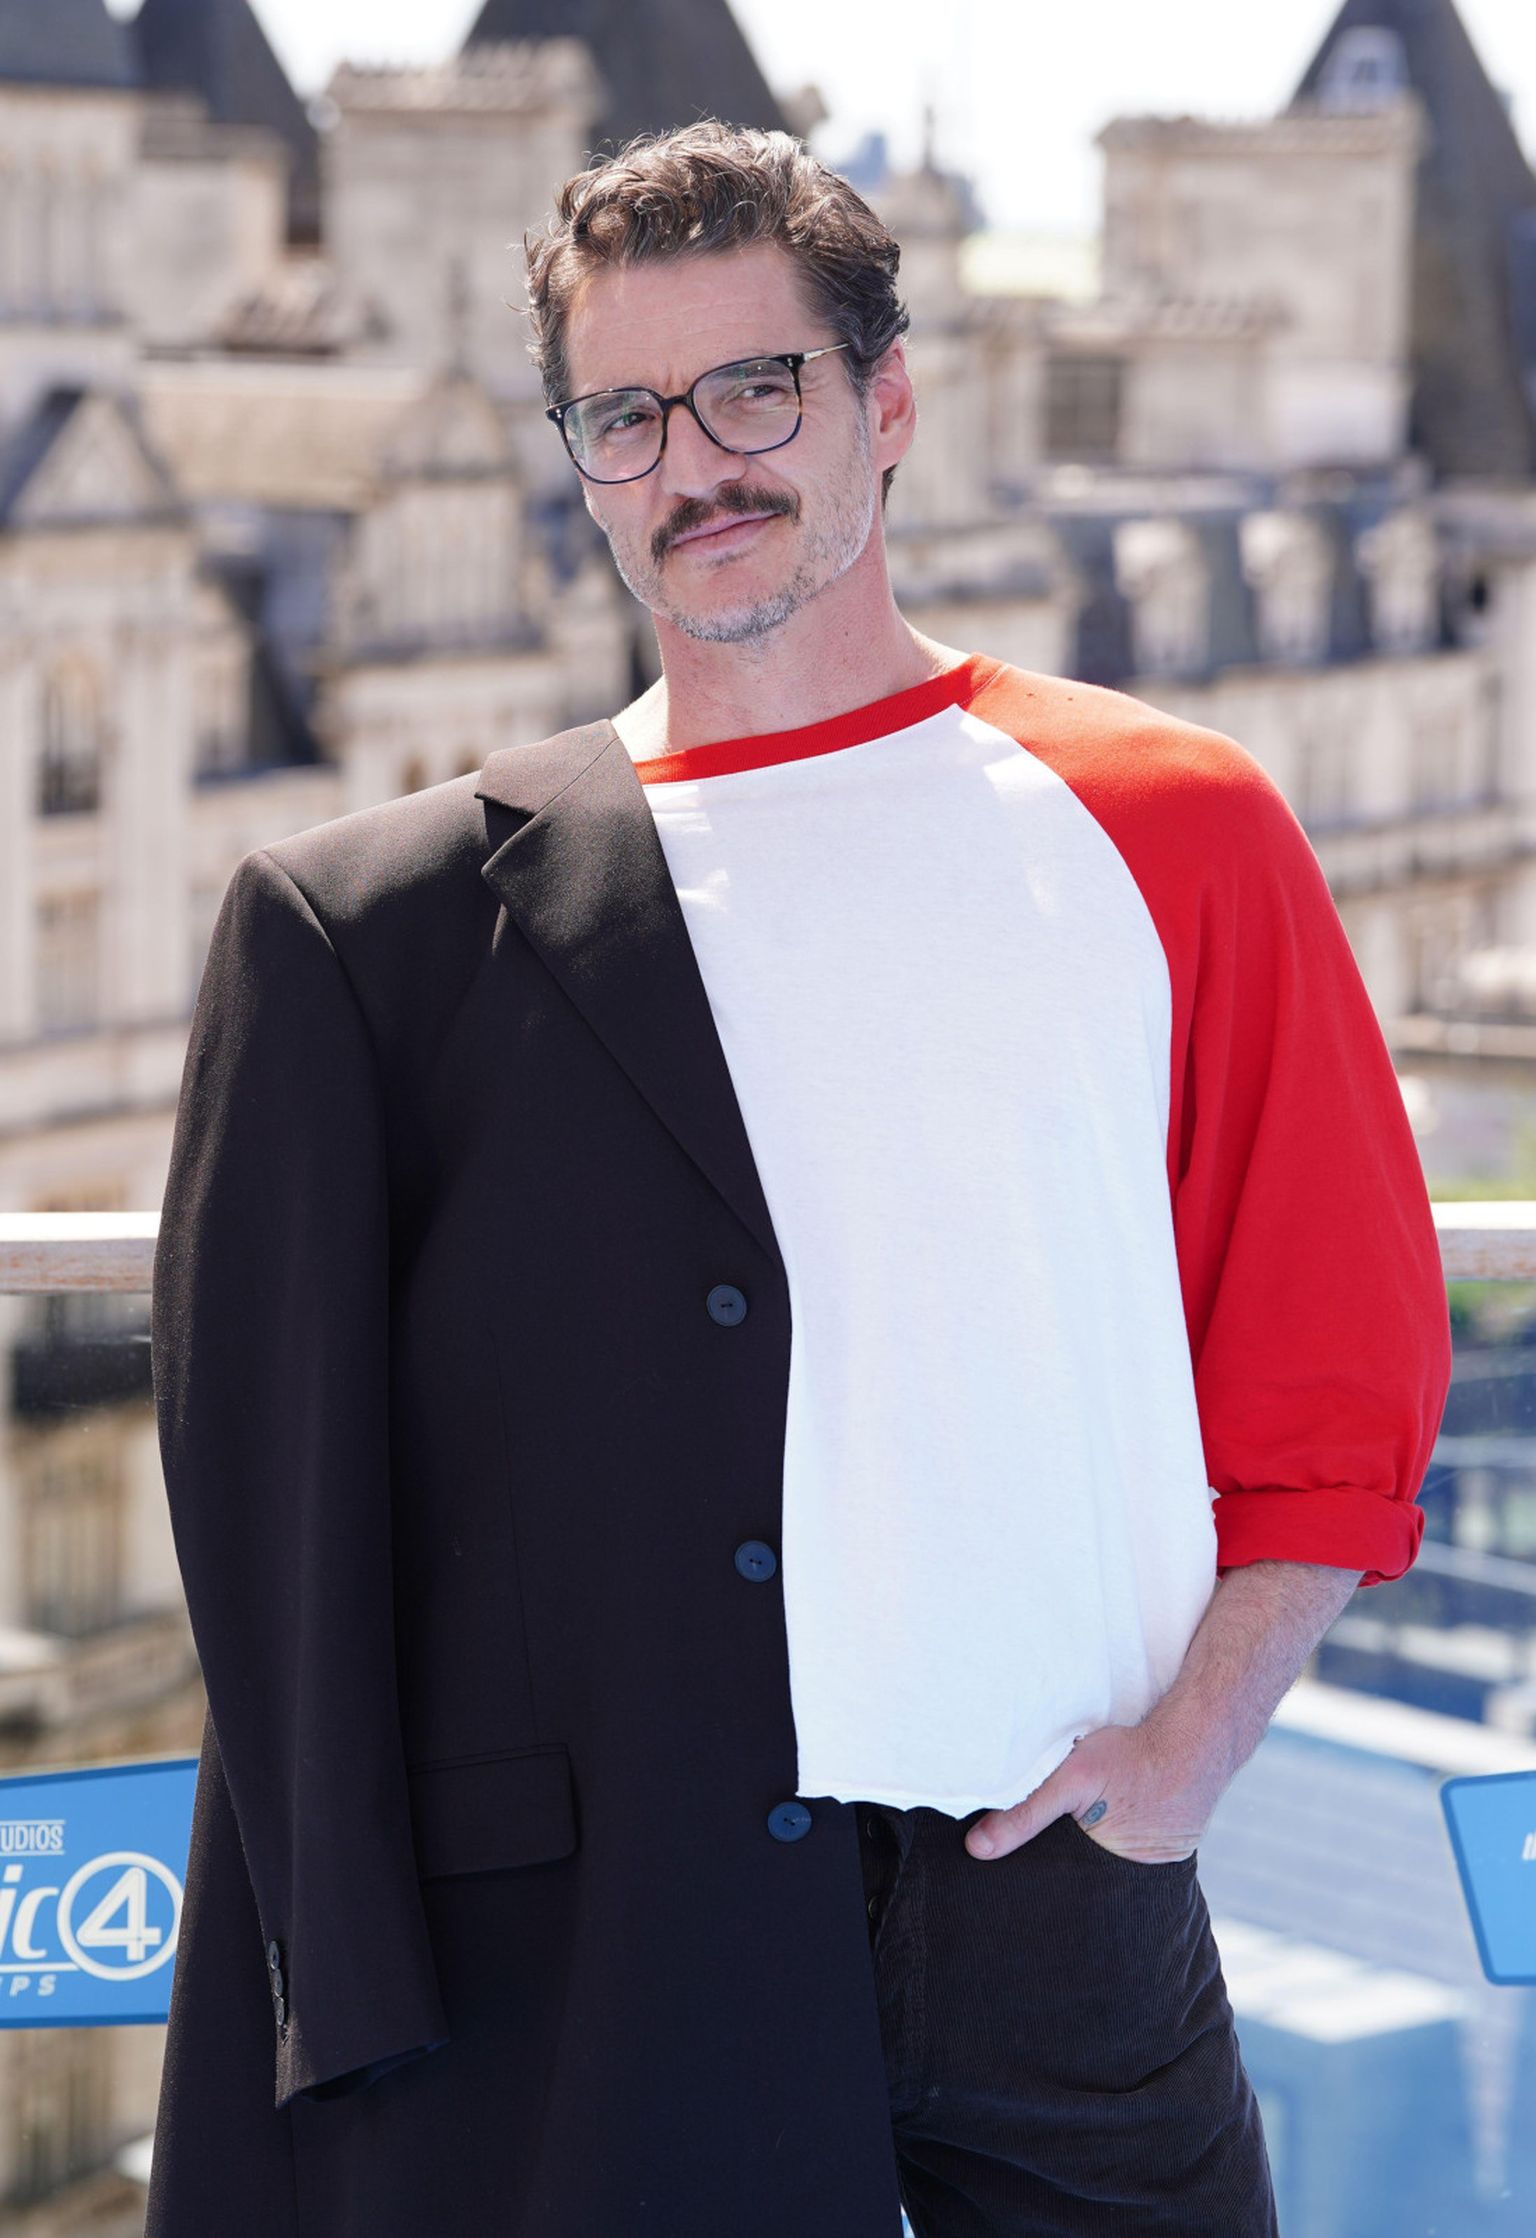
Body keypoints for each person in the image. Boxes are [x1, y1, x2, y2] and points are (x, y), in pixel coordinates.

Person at [145, 122, 1452, 2238]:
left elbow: (1338, 1362)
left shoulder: (1173, 819)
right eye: (627, 418)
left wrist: (1194, 1752)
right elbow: (285, 1521)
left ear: (889, 402)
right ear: (584, 464)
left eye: (756, 390)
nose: (697, 465)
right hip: (628, 1927)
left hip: (1062, 1888)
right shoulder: (412, 927)